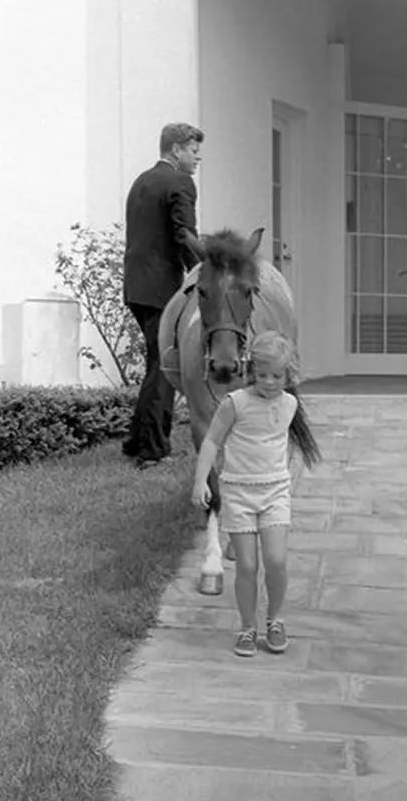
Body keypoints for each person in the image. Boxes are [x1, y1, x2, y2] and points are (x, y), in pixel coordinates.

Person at [190, 330, 298, 658]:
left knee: (276, 560)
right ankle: (248, 626)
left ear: (287, 374)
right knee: (248, 566)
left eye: (277, 376)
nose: (269, 382)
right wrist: (200, 481)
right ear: (251, 371)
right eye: (262, 375)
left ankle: (275, 620)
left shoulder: (290, 403)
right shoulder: (234, 403)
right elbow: (211, 441)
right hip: (238, 493)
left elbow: (279, 441)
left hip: (275, 492)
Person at [122, 122, 204, 469]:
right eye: (194, 151)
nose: (198, 158)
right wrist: (203, 275)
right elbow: (184, 235)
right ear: (175, 150)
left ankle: (137, 441)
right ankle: (153, 452)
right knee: (164, 367)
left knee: (155, 363)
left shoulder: (141, 181)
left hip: (137, 286)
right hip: (159, 288)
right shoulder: (179, 182)